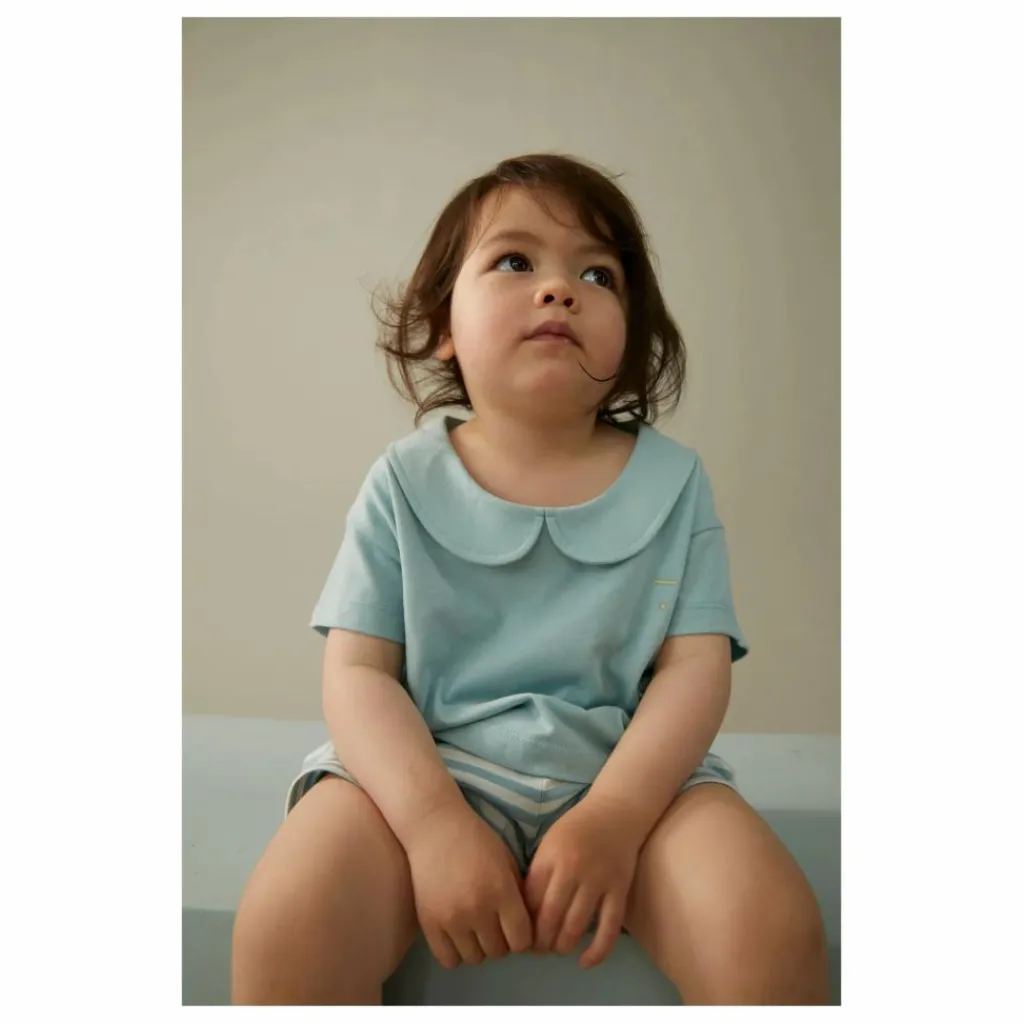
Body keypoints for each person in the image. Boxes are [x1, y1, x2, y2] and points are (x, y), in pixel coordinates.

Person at [231, 153, 829, 1005]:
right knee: (287, 923)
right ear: (442, 324)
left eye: (598, 275)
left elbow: (694, 671)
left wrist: (618, 817)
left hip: (629, 777)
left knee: (770, 926)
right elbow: (358, 673)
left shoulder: (675, 483)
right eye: (515, 260)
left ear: (631, 340)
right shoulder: (402, 481)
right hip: (419, 773)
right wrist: (432, 824)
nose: (559, 290)